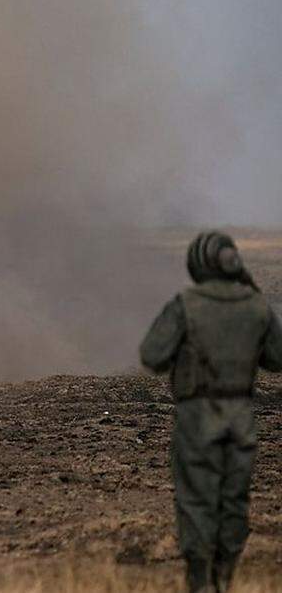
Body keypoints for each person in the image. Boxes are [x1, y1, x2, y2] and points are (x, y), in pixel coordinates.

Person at [140, 230, 282, 593]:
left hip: (198, 415)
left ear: (199, 264)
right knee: (233, 499)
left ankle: (200, 580)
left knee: (196, 499)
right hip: (240, 417)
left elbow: (152, 355)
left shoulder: (186, 304)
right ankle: (225, 577)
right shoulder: (255, 305)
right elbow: (277, 359)